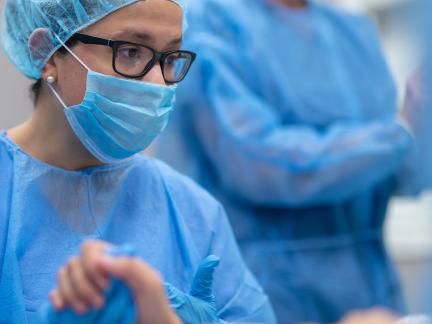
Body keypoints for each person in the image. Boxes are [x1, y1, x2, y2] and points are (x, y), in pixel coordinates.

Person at [0, 0, 276, 323]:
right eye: (131, 51)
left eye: (170, 58)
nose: (158, 81)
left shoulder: (192, 210)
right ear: (46, 52)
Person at [157, 0, 430, 322]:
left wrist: (417, 133)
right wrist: (398, 136)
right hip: (262, 290)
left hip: (372, 294)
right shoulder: (211, 24)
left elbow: (401, 172)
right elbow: (257, 164)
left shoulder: (353, 31)